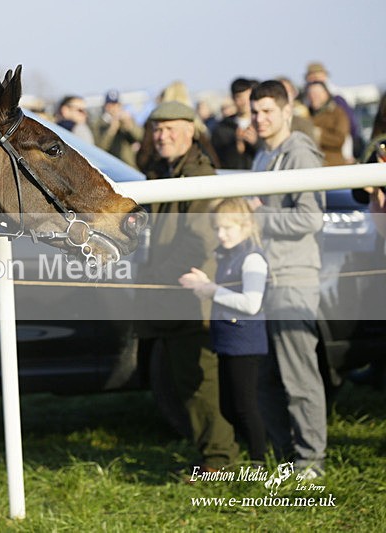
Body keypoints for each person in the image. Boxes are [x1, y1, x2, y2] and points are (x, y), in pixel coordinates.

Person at [135, 101, 239, 475]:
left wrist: (155, 275)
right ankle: (215, 454)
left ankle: (220, 460)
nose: (161, 136)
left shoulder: (198, 175)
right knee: (188, 382)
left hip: (193, 297)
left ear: (191, 131)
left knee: (200, 384)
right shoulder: (167, 171)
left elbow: (198, 241)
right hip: (174, 295)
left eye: (170, 128)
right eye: (157, 129)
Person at [248, 80, 326, 479]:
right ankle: (287, 457)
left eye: (266, 111)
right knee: (267, 382)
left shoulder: (299, 152)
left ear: (286, 110)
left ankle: (311, 463)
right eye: (255, 112)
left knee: (299, 377)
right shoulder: (262, 154)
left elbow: (310, 217)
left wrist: (259, 215)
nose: (259, 119)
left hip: (293, 277)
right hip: (265, 279)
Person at [179, 198, 269, 463]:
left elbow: (251, 304)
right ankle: (247, 457)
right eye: (217, 228)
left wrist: (211, 290)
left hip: (245, 344)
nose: (221, 234)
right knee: (229, 407)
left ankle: (259, 461)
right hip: (227, 341)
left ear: (245, 225)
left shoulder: (252, 258)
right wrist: (205, 284)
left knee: (245, 406)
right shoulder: (227, 255)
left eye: (228, 228)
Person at [304, 61, 364, 159]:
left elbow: (349, 127)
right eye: (312, 76)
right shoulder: (305, 102)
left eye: (317, 76)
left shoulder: (337, 100)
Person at [211, 78, 260, 170]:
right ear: (233, 99)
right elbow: (217, 159)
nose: (245, 102)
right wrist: (236, 144)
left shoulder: (261, 123)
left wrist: (256, 143)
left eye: (248, 97)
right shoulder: (222, 128)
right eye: (240, 97)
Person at [92, 89, 144, 169]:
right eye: (110, 105)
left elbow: (141, 137)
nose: (113, 108)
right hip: (110, 167)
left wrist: (129, 125)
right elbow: (100, 148)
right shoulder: (99, 124)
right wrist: (111, 130)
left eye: (116, 105)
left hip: (130, 165)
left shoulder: (128, 119)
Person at [305, 81, 351, 166]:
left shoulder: (337, 113)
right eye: (310, 94)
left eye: (316, 94)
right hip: (311, 164)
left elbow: (339, 139)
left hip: (333, 164)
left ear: (326, 94)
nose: (313, 97)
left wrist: (319, 134)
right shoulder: (305, 114)